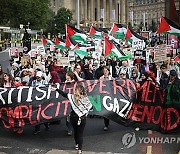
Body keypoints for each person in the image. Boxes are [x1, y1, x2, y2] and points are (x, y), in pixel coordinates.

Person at [51, 85, 92, 154]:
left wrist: (56, 89)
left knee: (75, 131)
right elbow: (90, 107)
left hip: (73, 117)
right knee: (80, 133)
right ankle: (80, 149)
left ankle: (76, 144)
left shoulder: (72, 97)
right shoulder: (86, 99)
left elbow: (63, 94)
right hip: (82, 117)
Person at [100, 66, 113, 131]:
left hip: (110, 96)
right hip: (103, 96)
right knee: (105, 111)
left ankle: (108, 121)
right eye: (104, 71)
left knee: (109, 110)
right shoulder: (101, 78)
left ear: (108, 71)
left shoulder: (112, 78)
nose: (105, 72)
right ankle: (106, 124)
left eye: (106, 71)